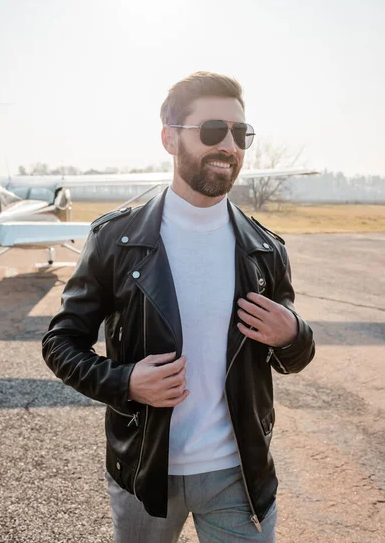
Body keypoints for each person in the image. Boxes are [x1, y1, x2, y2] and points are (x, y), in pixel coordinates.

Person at [42, 71, 315, 543]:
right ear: (169, 138)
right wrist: (124, 382)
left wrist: (294, 334)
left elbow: (293, 356)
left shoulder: (265, 249)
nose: (229, 145)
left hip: (239, 476)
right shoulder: (116, 240)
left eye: (240, 133)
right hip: (146, 471)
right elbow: (61, 342)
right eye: (213, 131)